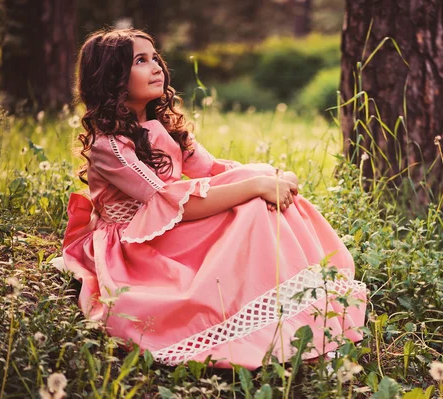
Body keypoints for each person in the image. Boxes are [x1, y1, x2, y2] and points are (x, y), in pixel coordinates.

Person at [60, 28, 366, 370]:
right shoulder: (110, 146)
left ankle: (306, 313)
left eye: (155, 57)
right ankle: (269, 326)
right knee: (251, 201)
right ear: (111, 77)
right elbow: (173, 203)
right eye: (140, 61)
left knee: (253, 183)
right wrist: (257, 187)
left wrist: (273, 178)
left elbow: (215, 170)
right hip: (138, 243)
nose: (157, 66)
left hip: (173, 226)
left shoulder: (165, 126)